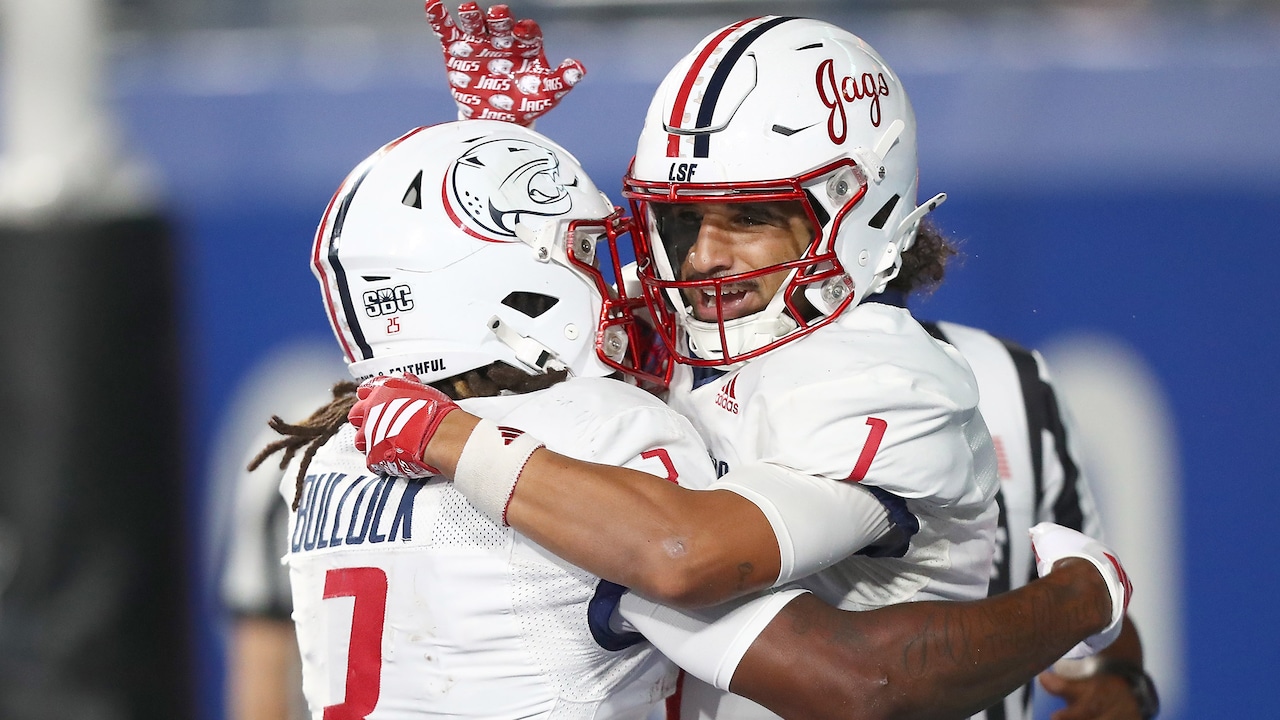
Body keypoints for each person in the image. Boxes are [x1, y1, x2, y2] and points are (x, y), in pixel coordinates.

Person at [348, 11, 1134, 720]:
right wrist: (485, 166)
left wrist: (1084, 603)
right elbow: (490, 318)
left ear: (863, 208)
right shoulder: (675, 316)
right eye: (682, 220)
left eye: (752, 217)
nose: (706, 258)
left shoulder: (881, 375)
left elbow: (698, 562)